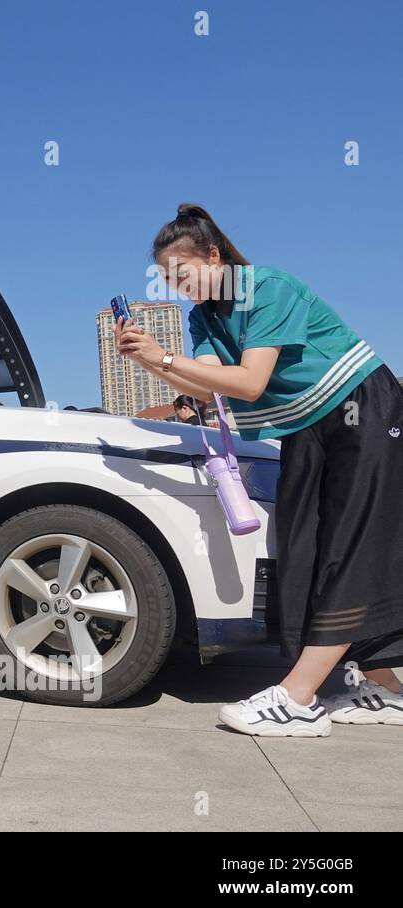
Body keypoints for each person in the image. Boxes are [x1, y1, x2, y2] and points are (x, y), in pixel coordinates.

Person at [117, 203, 403, 736]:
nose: (177, 287)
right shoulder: (202, 316)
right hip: (306, 428)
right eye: (167, 279)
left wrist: (167, 359)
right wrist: (146, 358)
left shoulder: (268, 286)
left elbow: (249, 383)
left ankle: (298, 699)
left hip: (362, 413)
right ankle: (386, 687)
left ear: (214, 255)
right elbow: (205, 386)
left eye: (183, 273)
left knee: (350, 552)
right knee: (303, 551)